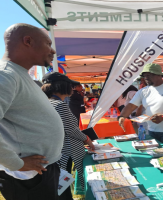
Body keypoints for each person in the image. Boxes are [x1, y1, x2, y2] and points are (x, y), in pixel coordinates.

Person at [0, 23, 64, 200]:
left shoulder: (18, 75)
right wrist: (16, 163)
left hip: (39, 170)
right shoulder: (5, 75)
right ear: (28, 41)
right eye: (48, 44)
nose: (52, 51)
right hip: (27, 176)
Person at [41, 72, 95, 200]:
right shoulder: (60, 105)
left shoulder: (47, 102)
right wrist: (87, 139)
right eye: (70, 85)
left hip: (56, 148)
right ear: (62, 86)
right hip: (66, 149)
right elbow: (71, 130)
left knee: (60, 181)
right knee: (63, 183)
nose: (72, 88)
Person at [118, 63, 163, 149]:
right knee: (154, 154)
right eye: (144, 76)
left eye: (149, 75)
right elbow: (130, 106)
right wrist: (122, 116)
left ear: (159, 75)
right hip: (151, 130)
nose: (146, 78)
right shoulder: (143, 91)